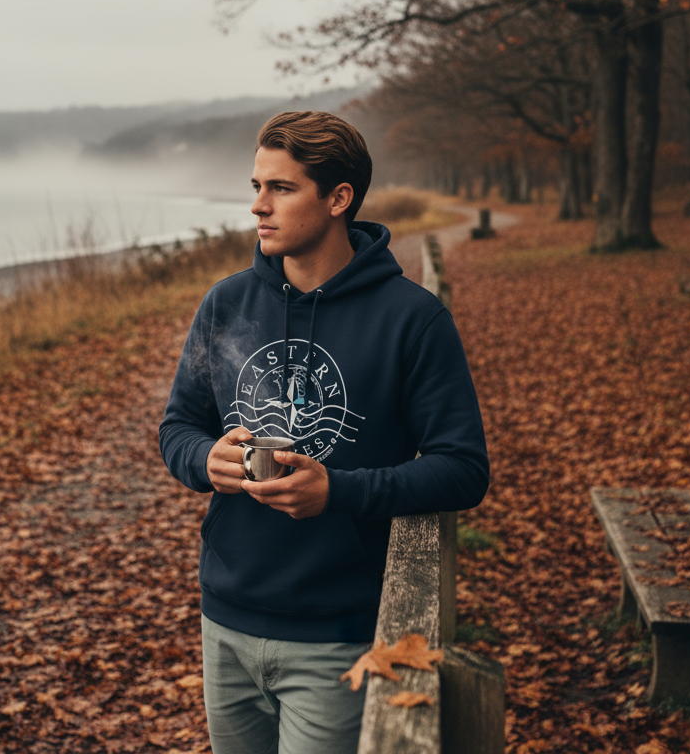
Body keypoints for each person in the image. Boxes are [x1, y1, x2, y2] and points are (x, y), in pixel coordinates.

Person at [159, 110, 489, 754]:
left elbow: (462, 467)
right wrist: (206, 461)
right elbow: (178, 426)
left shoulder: (412, 321)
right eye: (256, 186)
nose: (258, 206)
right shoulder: (225, 303)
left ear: (339, 198)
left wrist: (337, 490)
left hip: (338, 634)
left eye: (281, 188)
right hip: (225, 618)